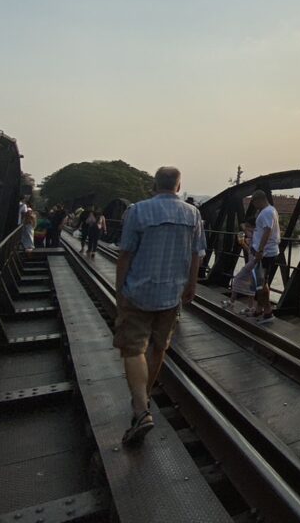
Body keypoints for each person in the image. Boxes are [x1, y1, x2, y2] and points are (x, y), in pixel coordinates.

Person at [114, 166, 205, 447]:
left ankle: (140, 408)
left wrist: (120, 291)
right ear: (179, 186)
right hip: (172, 294)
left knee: (133, 349)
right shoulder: (193, 214)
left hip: (139, 291)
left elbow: (125, 254)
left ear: (154, 185)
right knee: (158, 347)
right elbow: (196, 253)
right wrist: (192, 285)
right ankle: (144, 399)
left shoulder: (137, 211)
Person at [248, 191, 280, 325]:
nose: (254, 206)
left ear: (259, 200)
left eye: (254, 203)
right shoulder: (271, 210)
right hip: (268, 252)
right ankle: (259, 309)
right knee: (261, 282)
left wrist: (260, 249)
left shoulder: (266, 212)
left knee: (261, 284)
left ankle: (268, 312)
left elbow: (267, 231)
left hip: (265, 253)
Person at [224, 219, 257, 315]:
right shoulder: (253, 236)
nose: (246, 228)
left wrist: (244, 227)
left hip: (254, 262)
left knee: (238, 278)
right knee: (251, 283)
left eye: (248, 226)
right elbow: (250, 251)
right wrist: (243, 243)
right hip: (253, 261)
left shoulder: (256, 234)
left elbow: (244, 228)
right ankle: (249, 306)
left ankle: (232, 302)